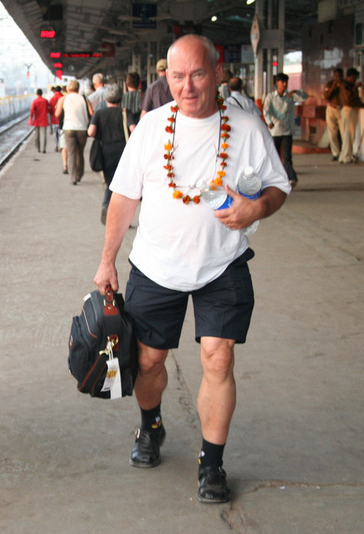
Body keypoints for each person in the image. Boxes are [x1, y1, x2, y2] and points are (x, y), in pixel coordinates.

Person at [93, 34, 290, 505]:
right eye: (177, 76)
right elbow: (124, 197)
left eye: (198, 74)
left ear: (217, 73)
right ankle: (150, 426)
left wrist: (256, 209)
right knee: (147, 362)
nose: (188, 86)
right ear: (167, 78)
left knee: (218, 359)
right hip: (155, 264)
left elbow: (278, 187)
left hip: (222, 264)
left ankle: (212, 462)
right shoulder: (152, 127)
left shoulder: (246, 127)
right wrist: (107, 261)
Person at [88, 84, 133, 224]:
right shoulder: (125, 112)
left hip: (105, 151)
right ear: (121, 98)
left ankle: (106, 204)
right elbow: (134, 129)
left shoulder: (99, 113)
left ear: (106, 98)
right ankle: (123, 217)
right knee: (123, 185)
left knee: (110, 183)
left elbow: (91, 132)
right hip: (122, 152)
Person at [263, 73, 308, 188]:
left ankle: (292, 178)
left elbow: (305, 97)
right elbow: (266, 111)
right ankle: (277, 179)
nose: (284, 84)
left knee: (287, 157)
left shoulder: (290, 97)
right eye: (282, 82)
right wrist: (270, 122)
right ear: (277, 83)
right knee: (276, 155)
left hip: (287, 131)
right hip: (276, 131)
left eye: (286, 82)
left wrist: (296, 92)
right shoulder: (271, 97)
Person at [55, 79, 93, 185]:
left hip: (68, 129)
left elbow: (57, 114)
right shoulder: (84, 98)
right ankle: (80, 174)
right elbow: (91, 112)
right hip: (82, 129)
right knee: (80, 152)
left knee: (71, 153)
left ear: (67, 88)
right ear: (78, 88)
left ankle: (73, 178)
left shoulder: (64, 98)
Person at [338, 68, 363, 164]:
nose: (355, 80)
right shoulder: (345, 85)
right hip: (349, 110)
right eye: (354, 78)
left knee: (347, 135)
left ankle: (343, 156)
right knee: (349, 135)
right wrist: (355, 88)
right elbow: (348, 98)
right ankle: (347, 157)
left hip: (349, 111)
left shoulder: (347, 85)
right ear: (350, 77)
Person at [323, 68, 344, 161]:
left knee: (344, 132)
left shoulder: (344, 84)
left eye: (340, 76)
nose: (338, 78)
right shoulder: (330, 84)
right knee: (332, 132)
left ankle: (344, 153)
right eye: (336, 76)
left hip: (341, 109)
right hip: (331, 108)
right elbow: (326, 96)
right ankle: (335, 153)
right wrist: (333, 88)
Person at [29, 88, 51, 153]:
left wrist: (31, 118)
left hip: (37, 120)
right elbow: (49, 108)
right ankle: (43, 149)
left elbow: (32, 111)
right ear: (42, 93)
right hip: (44, 120)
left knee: (37, 135)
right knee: (43, 135)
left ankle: (38, 148)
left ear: (37, 94)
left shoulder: (35, 101)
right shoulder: (45, 101)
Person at [48, 86, 63, 152]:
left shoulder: (52, 99)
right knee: (61, 133)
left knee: (55, 133)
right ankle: (61, 145)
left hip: (54, 119)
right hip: (62, 119)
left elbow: (50, 110)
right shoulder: (63, 98)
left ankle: (56, 145)